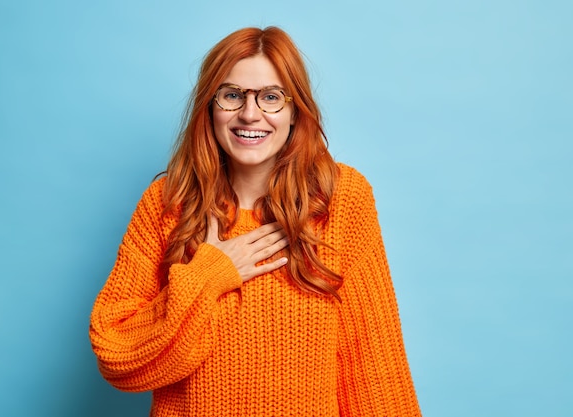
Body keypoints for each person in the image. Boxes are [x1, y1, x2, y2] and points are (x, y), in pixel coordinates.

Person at [90, 26, 421, 417]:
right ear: (209, 107)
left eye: (270, 97)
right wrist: (209, 276)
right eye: (232, 95)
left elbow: (372, 361)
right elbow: (118, 357)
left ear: (295, 110)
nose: (250, 114)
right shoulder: (168, 203)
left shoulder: (340, 199)